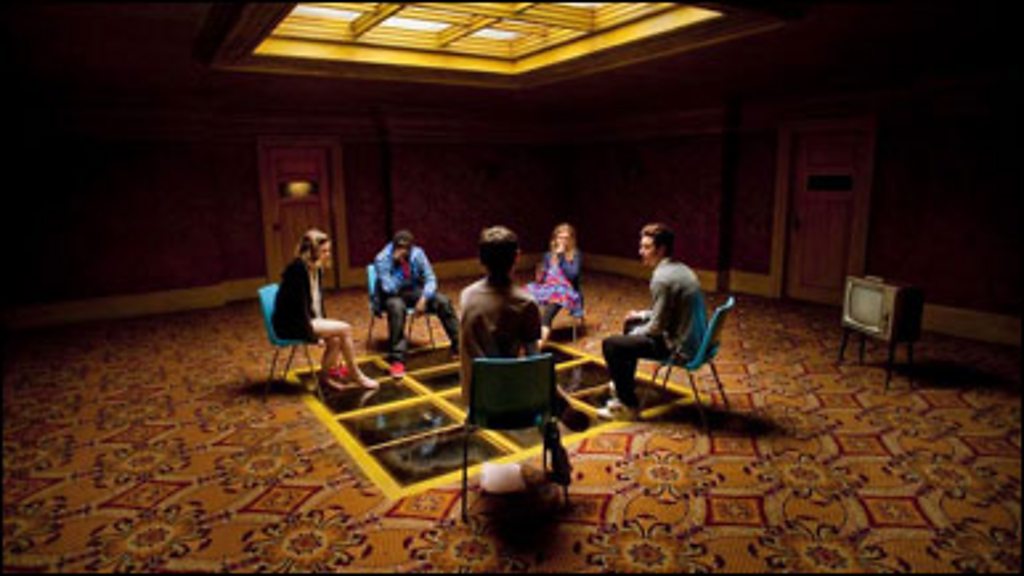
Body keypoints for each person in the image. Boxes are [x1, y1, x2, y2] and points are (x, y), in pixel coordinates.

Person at [459, 225, 588, 433]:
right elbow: (533, 357)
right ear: (517, 257)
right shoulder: (526, 303)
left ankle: (558, 404)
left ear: (480, 260)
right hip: (517, 397)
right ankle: (559, 410)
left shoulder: (466, 296)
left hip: (477, 398)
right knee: (539, 370)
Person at [598, 222, 706, 421]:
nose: (641, 252)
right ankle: (624, 385)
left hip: (679, 348)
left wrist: (635, 333)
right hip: (696, 340)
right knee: (631, 323)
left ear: (661, 249)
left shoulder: (661, 279)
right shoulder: (681, 269)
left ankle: (627, 405)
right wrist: (641, 315)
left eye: (646, 247)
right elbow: (668, 311)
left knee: (611, 345)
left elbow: (657, 328)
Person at [272, 228, 379, 391]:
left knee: (336, 340)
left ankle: (324, 378)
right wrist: (314, 335)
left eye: (328, 250)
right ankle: (356, 375)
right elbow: (299, 309)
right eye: (324, 251)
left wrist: (323, 327)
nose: (328, 254)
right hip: (291, 325)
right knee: (346, 329)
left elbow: (317, 303)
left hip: (307, 320)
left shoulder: (316, 269)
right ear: (311, 252)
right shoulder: (297, 270)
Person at [373, 230, 459, 378]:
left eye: (407, 248)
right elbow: (388, 288)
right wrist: (400, 268)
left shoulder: (418, 254)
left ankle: (459, 346)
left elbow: (430, 279)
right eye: (399, 248)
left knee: (443, 301)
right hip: (392, 295)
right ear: (393, 246)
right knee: (396, 308)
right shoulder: (382, 258)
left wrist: (424, 299)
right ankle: (397, 360)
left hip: (413, 291)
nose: (403, 251)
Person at [526, 223, 583, 348]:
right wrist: (540, 274)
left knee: (550, 309)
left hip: (566, 290)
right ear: (555, 239)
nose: (563, 241)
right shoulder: (548, 255)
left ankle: (540, 344)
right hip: (548, 288)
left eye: (566, 238)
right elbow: (544, 277)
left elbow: (572, 275)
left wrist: (561, 257)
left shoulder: (575, 254)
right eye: (560, 237)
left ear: (571, 240)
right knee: (525, 296)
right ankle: (528, 333)